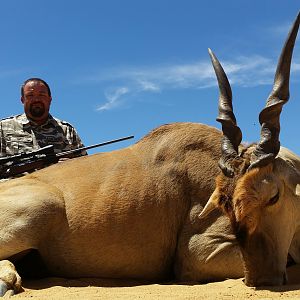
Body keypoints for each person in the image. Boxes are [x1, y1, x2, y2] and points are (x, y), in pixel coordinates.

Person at [0, 77, 86, 161]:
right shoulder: (3, 127)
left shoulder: (67, 130)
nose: (36, 99)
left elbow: (85, 167)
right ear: (22, 100)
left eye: (42, 95)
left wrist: (69, 166)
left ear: (50, 99)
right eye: (30, 95)